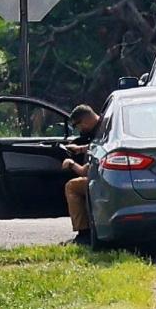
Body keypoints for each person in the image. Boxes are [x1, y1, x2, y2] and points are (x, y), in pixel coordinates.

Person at [61, 104, 101, 246]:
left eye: (78, 127)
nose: (79, 131)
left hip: (101, 181)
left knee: (72, 187)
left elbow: (86, 172)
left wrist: (71, 164)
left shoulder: (100, 134)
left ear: (84, 121)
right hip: (106, 177)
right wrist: (80, 149)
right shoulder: (104, 129)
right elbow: (95, 147)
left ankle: (83, 233)